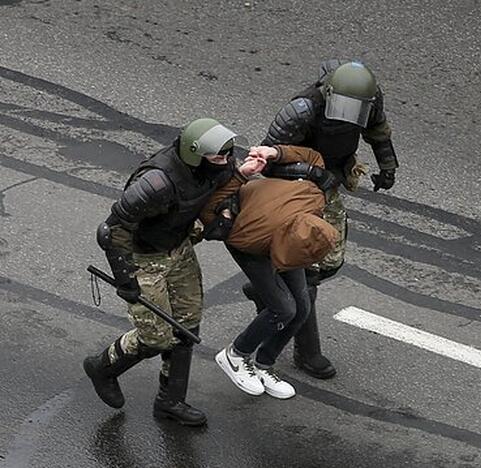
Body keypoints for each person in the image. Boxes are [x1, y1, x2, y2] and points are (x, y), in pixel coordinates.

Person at [83, 118, 264, 425]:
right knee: (155, 338)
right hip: (144, 258)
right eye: (219, 157)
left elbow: (219, 186)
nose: (226, 161)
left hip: (179, 249)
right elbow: (112, 230)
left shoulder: (213, 167)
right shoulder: (156, 183)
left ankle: (170, 401)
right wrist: (126, 278)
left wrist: (239, 174)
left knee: (187, 326)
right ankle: (103, 366)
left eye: (228, 155)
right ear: (196, 154)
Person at [250, 59, 400, 378]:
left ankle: (267, 288)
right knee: (309, 269)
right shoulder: (302, 110)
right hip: (295, 185)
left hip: (329, 177)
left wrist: (388, 167)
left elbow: (378, 131)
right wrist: (312, 173)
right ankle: (307, 352)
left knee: (329, 259)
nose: (349, 114)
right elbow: (265, 160)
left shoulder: (369, 100)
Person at [200, 145, 337, 398]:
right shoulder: (249, 236)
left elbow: (311, 157)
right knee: (283, 308)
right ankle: (235, 355)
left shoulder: (315, 198)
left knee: (302, 308)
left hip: (284, 230)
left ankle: (264, 364)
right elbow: (210, 210)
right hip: (249, 244)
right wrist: (241, 176)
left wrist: (275, 152)